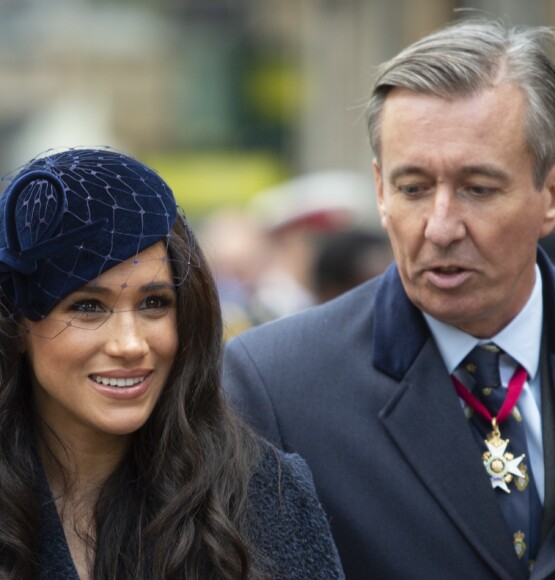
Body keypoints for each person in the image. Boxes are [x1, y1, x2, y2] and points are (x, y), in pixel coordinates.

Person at [223, 19, 555, 579]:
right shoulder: (275, 387)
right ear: (381, 191)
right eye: (413, 188)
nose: (439, 227)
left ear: (554, 194)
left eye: (478, 189)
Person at [0, 148, 344, 579]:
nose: (130, 344)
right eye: (88, 305)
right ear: (16, 325)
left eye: (154, 303)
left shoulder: (266, 494)